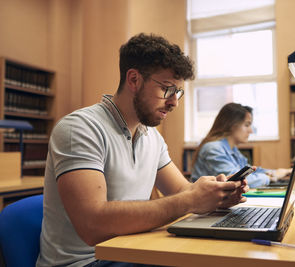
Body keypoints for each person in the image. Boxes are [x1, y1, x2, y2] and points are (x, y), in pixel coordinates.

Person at [36, 33, 249, 267]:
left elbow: (181, 190)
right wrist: (191, 200)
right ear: (134, 80)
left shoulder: (152, 137)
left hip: (129, 251)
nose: (174, 102)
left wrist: (215, 196)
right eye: (168, 89)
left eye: (178, 92)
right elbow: (92, 226)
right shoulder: (79, 129)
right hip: (85, 262)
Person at [191, 103, 291, 188]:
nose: (251, 131)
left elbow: (249, 171)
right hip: (204, 208)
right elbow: (236, 180)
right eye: (247, 125)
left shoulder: (232, 149)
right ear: (231, 125)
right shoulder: (213, 149)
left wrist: (278, 172)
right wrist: (271, 177)